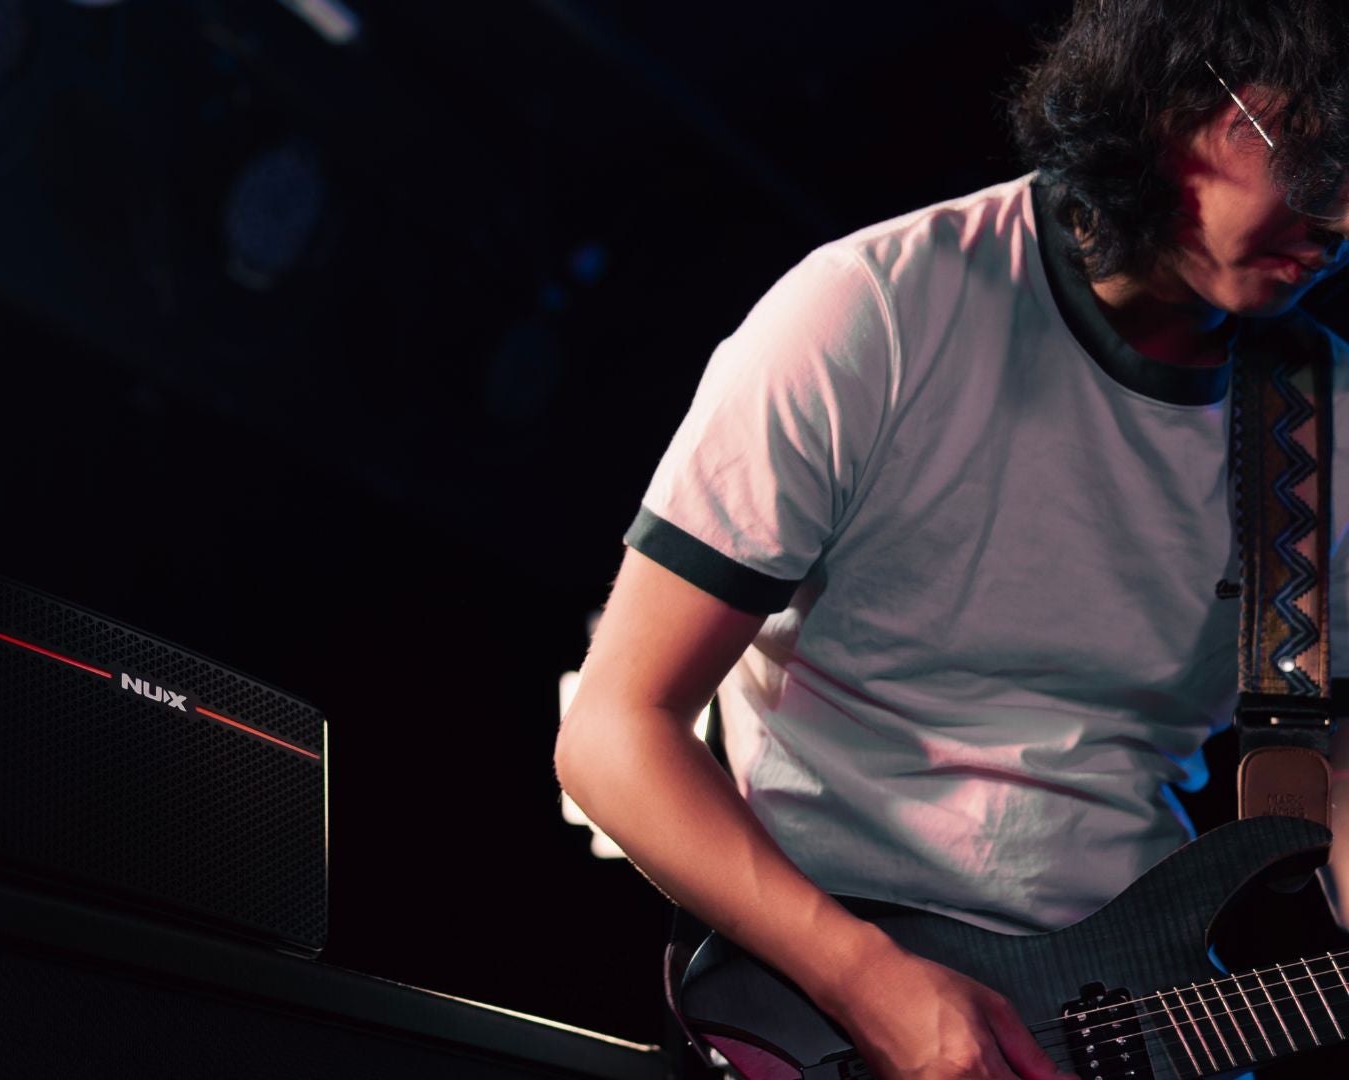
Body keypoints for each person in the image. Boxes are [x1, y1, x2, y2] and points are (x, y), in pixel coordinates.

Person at [553, 2, 1349, 1078]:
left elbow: (1333, 781)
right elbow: (612, 730)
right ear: (1178, 101)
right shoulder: (874, 311)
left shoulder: (1325, 422)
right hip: (827, 1002)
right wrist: (863, 978)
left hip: (1137, 1013)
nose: (1344, 218)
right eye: (1318, 157)